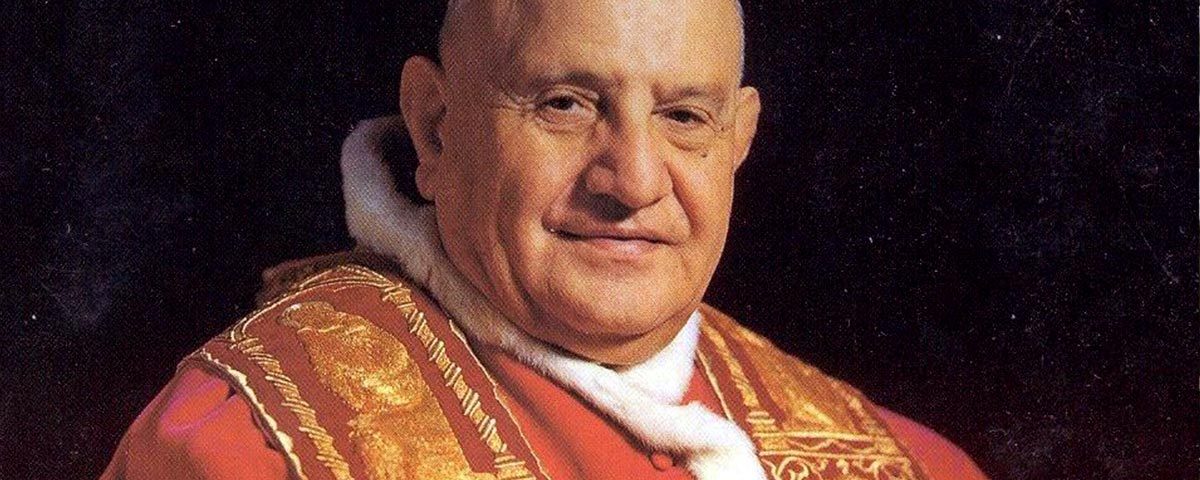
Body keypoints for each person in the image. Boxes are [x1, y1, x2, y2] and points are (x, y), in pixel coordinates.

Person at [102, 1, 988, 479]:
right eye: (565, 104)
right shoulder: (246, 448)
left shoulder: (914, 467)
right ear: (436, 129)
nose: (633, 180)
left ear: (738, 141)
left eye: (684, 117)